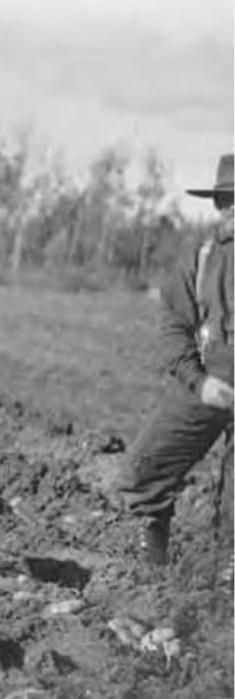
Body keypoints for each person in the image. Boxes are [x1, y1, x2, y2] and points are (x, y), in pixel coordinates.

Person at [112, 153, 234, 566]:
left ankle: (222, 602)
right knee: (143, 472)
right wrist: (199, 382)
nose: (231, 208)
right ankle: (153, 582)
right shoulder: (200, 257)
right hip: (210, 378)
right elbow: (173, 327)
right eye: (224, 200)